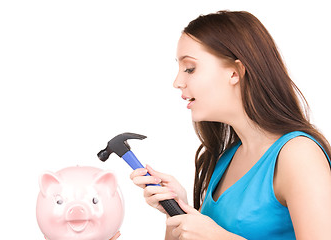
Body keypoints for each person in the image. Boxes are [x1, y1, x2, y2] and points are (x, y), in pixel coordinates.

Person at [130, 10, 331, 240]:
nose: (177, 82)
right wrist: (179, 212)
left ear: (235, 72)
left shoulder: (299, 155)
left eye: (190, 68)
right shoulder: (226, 158)